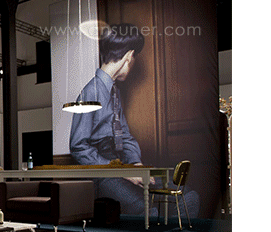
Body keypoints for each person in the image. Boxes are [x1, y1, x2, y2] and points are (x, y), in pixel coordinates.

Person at [69, 23, 199, 217]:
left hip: (122, 168)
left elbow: (125, 136)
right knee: (147, 211)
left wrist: (136, 164)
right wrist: (121, 171)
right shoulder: (90, 92)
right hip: (102, 176)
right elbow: (78, 147)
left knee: (188, 197)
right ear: (130, 56)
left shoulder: (114, 92)